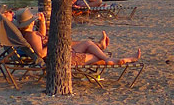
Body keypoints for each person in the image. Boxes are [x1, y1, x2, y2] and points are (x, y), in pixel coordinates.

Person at [10, 9, 139, 65]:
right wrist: (53, 42)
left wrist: (43, 23)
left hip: (60, 51)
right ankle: (118, 60)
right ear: (30, 22)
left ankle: (106, 54)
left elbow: (41, 38)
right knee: (94, 56)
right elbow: (41, 54)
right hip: (59, 57)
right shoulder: (31, 35)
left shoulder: (29, 34)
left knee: (88, 43)